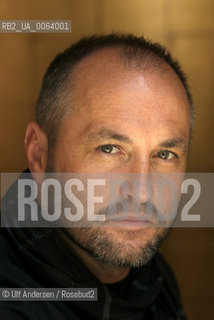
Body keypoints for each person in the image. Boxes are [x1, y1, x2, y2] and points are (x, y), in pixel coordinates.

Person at [0, 33, 193, 319]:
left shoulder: (154, 280)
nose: (141, 192)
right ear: (39, 154)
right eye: (109, 148)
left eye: (164, 155)